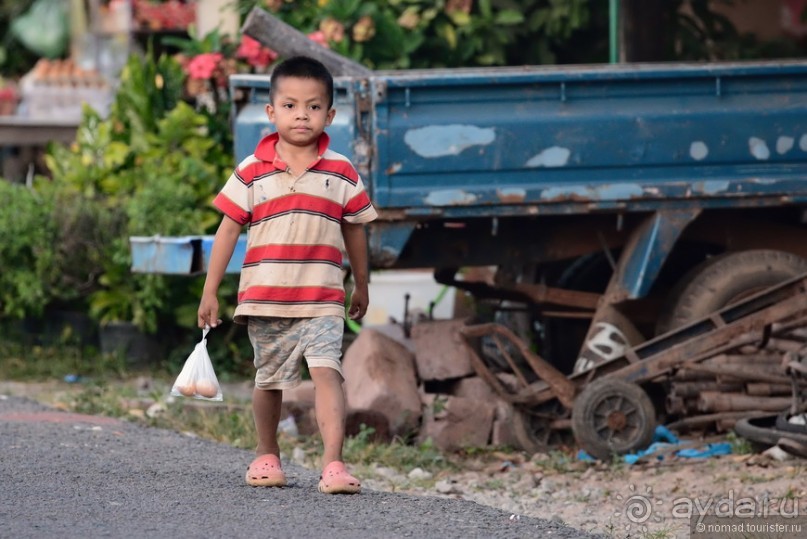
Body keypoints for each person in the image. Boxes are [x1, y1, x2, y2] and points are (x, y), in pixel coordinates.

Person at [197, 55, 377, 494]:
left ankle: (334, 463)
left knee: (327, 372)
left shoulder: (341, 171)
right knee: (268, 379)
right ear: (271, 112)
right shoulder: (251, 171)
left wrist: (362, 282)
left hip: (323, 298)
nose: (302, 115)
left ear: (330, 115)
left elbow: (355, 231)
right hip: (265, 297)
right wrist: (210, 291)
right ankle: (266, 453)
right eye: (292, 105)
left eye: (314, 107)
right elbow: (227, 230)